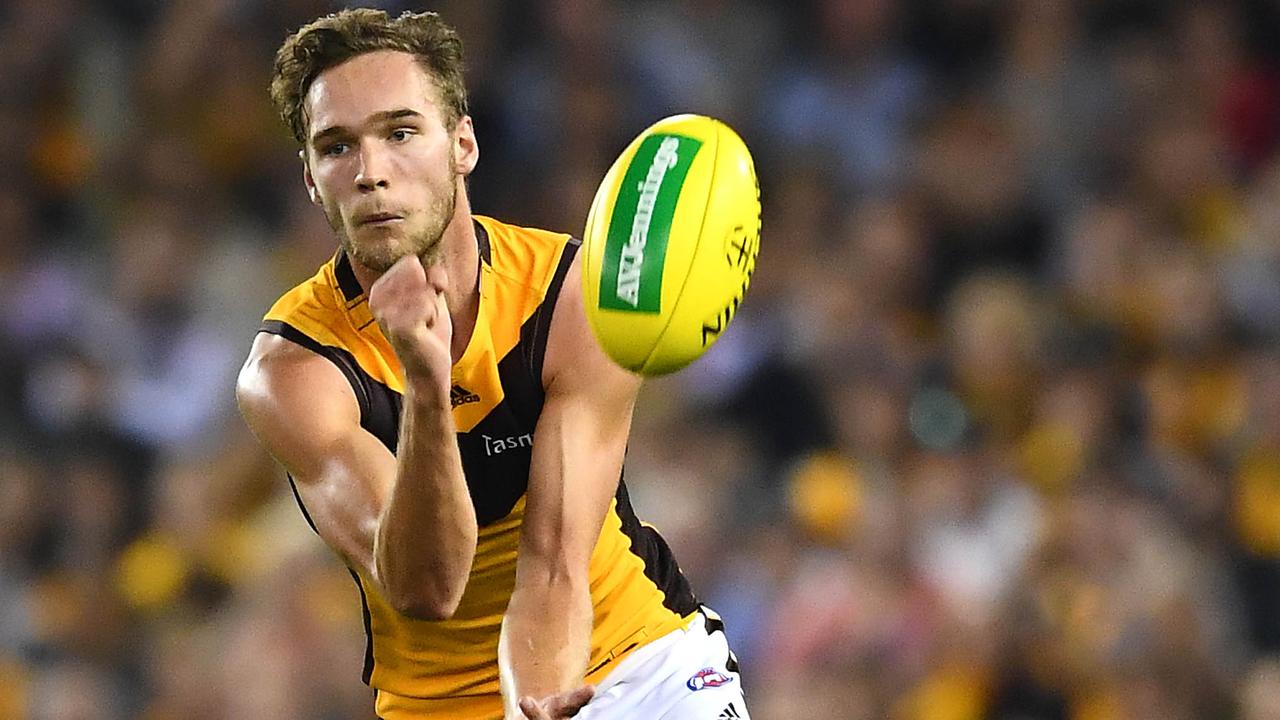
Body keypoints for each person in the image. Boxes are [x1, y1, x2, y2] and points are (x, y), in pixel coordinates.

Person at [235, 9, 749, 720]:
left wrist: (534, 706)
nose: (371, 172)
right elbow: (426, 589)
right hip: (439, 706)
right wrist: (425, 383)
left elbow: (555, 564)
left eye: (400, 132)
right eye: (336, 147)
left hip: (634, 666)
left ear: (463, 144)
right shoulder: (294, 370)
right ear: (312, 181)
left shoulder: (572, 295)